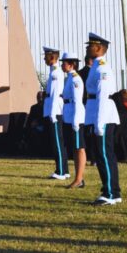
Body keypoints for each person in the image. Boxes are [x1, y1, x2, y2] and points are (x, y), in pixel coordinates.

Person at [84, 32, 121, 206]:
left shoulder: (102, 68)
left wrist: (99, 122)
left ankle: (111, 192)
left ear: (99, 48)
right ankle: (110, 190)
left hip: (103, 114)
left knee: (105, 154)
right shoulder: (96, 67)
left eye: (90, 45)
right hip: (96, 113)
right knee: (101, 154)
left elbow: (103, 95)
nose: (87, 48)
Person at [42, 46, 69, 180]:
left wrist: (52, 113)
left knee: (57, 141)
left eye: (46, 56)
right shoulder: (53, 72)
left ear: (52, 57)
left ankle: (61, 171)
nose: (44, 58)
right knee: (58, 140)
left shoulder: (55, 73)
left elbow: (55, 94)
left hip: (55, 109)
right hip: (53, 108)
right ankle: (64, 169)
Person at [60, 52, 86, 189]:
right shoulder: (69, 78)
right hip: (69, 114)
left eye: (64, 62)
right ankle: (78, 177)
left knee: (79, 148)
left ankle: (79, 178)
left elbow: (77, 100)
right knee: (74, 148)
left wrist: (76, 120)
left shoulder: (75, 79)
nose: (62, 65)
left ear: (71, 64)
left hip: (75, 116)